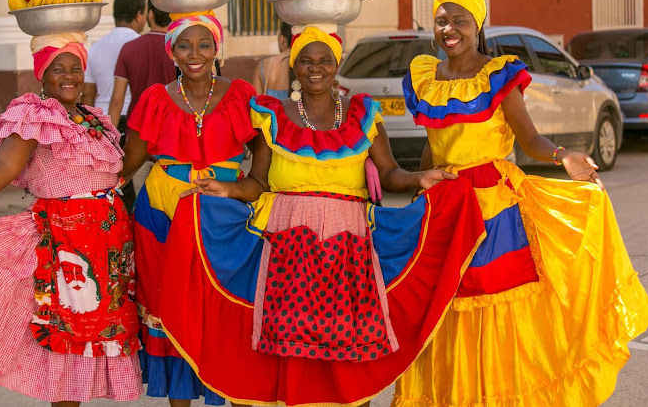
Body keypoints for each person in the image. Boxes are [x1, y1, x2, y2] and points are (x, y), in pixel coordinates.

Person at [152, 25, 488, 406]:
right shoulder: (270, 115)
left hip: (346, 248)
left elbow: (390, 174)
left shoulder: (364, 114)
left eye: (324, 60)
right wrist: (227, 190)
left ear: (337, 64)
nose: (316, 68)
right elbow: (259, 181)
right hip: (281, 244)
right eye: (306, 61)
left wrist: (418, 177)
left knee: (342, 353)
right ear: (294, 67)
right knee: (280, 352)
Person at [393, 0, 648, 407]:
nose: (450, 29)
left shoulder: (498, 75)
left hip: (493, 208)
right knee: (446, 306)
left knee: (493, 304)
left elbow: (529, 139)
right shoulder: (426, 77)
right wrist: (419, 197)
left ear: (478, 25)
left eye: (460, 20)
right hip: (444, 206)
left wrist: (564, 156)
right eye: (442, 20)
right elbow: (433, 142)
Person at [0, 33, 142, 406]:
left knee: (94, 340)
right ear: (41, 76)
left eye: (75, 67)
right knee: (67, 340)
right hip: (66, 246)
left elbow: (118, 170)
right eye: (57, 68)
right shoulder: (36, 114)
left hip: (108, 247)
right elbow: (4, 163)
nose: (69, 75)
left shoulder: (92, 118)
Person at [120, 12, 255, 407]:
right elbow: (129, 162)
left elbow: (261, 166)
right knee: (170, 305)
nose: (195, 54)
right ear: (172, 53)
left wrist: (238, 190)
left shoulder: (242, 94)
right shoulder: (154, 98)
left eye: (204, 45)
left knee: (223, 302)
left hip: (222, 212)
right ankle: (179, 400)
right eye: (184, 46)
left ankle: (230, 390)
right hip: (162, 211)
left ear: (217, 49)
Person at [82, 0, 146, 211]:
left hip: (102, 121)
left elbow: (88, 93)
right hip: (135, 121)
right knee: (134, 177)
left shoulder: (97, 47)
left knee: (114, 180)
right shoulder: (141, 44)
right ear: (139, 15)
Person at [109, 0, 176, 191]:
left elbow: (117, 100)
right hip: (172, 141)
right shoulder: (180, 51)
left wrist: (111, 142)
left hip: (137, 140)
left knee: (141, 207)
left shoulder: (129, 49)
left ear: (150, 15)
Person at [251, 20, 292, 99]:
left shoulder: (263, 64)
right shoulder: (300, 63)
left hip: (270, 111)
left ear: (281, 38)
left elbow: (256, 102)